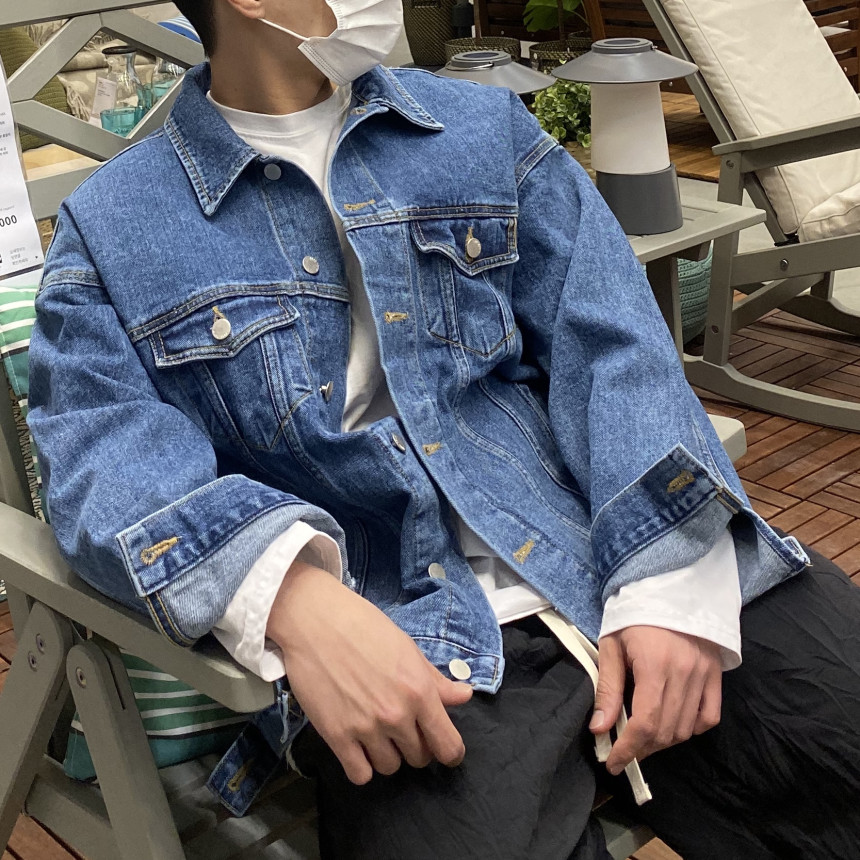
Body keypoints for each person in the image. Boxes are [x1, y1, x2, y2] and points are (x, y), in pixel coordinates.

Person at [27, 0, 860, 857]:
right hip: (404, 649)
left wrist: (668, 577)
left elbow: (614, 341)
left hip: (604, 544)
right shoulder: (115, 227)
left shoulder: (484, 131)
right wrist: (292, 601)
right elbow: (97, 456)